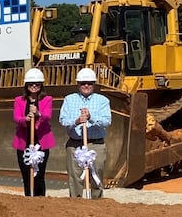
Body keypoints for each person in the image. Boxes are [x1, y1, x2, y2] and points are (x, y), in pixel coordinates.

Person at [59, 67, 111, 199]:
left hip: (95, 145)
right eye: (83, 83)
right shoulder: (69, 99)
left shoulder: (102, 100)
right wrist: (76, 121)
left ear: (94, 84)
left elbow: (107, 121)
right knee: (75, 178)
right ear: (78, 84)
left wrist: (91, 118)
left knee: (96, 176)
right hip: (75, 145)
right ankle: (76, 204)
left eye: (89, 83)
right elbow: (63, 120)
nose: (86, 86)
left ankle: (96, 203)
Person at [13, 68, 55, 196]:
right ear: (26, 85)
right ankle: (28, 199)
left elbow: (48, 116)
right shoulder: (19, 100)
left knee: (39, 175)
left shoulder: (47, 99)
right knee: (26, 174)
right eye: (31, 84)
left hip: (41, 142)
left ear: (41, 85)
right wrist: (24, 119)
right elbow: (16, 117)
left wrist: (38, 113)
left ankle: (40, 199)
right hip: (24, 142)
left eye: (37, 84)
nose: (34, 86)